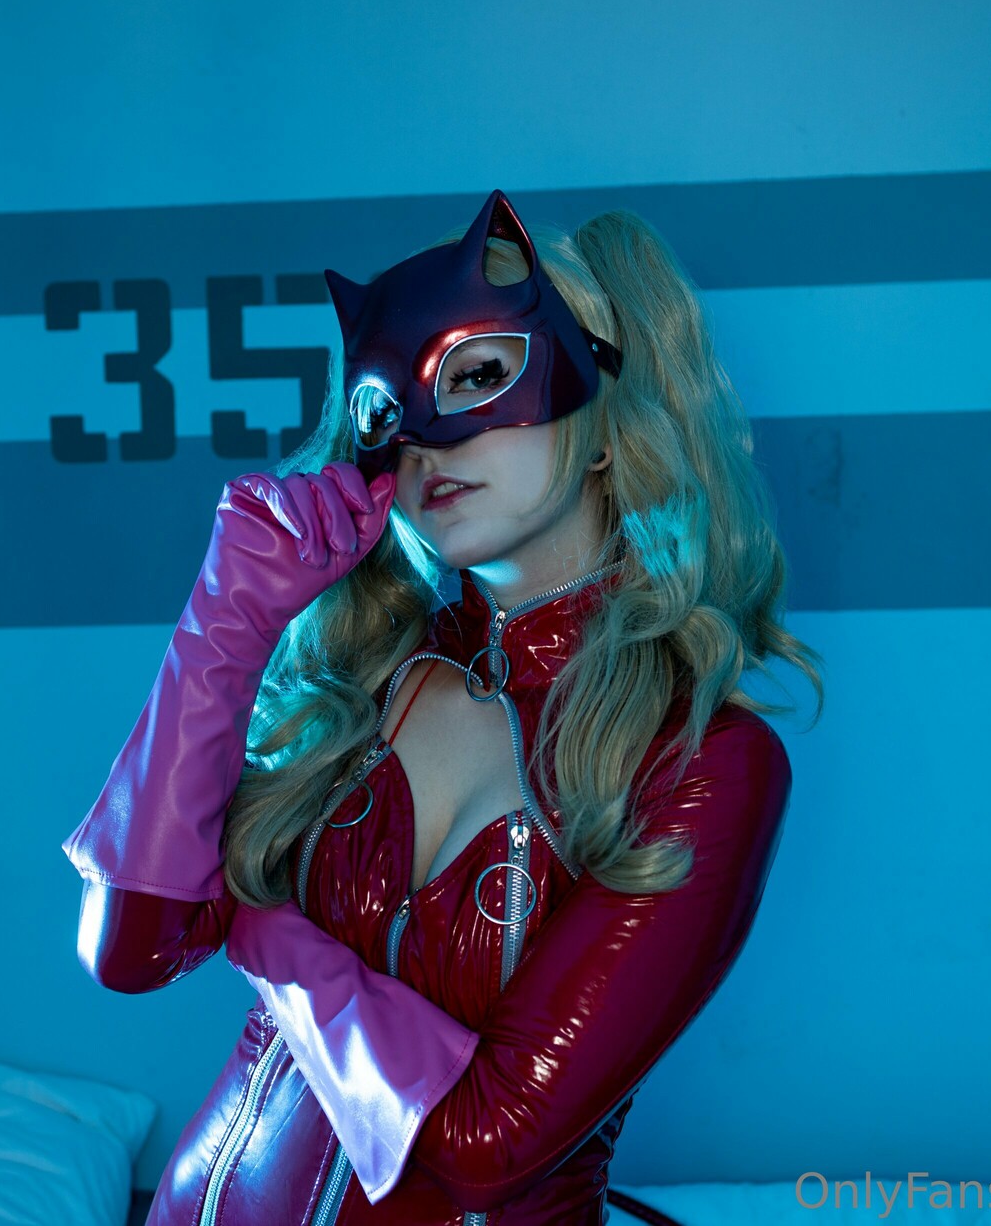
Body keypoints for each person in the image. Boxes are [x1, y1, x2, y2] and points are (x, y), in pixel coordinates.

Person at [63, 189, 824, 1225]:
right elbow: (129, 950)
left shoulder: (702, 761)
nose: (425, 441)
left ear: (605, 426)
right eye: (385, 410)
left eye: (474, 377)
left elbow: (486, 1144)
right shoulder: (362, 676)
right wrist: (227, 618)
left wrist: (268, 933)